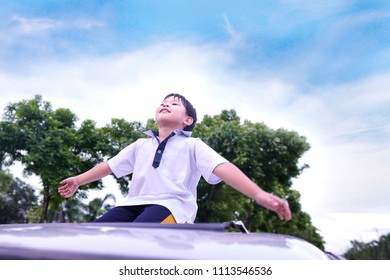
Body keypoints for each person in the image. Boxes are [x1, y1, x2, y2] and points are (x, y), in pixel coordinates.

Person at [58, 93, 291, 224]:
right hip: (132, 205)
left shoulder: (192, 145)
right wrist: (78, 180)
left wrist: (259, 194)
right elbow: (108, 166)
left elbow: (223, 168)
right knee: (93, 233)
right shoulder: (141, 145)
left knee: (137, 235)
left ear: (187, 120)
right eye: (162, 103)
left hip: (171, 206)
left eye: (174, 104)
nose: (165, 104)